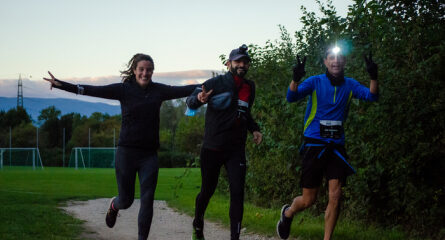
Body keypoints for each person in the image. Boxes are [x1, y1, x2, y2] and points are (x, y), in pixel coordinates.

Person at [43, 53, 197, 240]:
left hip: (149, 155)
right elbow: (94, 90)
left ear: (152, 71)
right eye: (141, 69)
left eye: (149, 70)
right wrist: (64, 85)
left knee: (148, 199)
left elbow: (185, 89)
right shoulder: (124, 90)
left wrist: (213, 85)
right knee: (126, 200)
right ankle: (114, 206)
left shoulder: (159, 91)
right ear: (134, 70)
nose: (145, 73)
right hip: (127, 153)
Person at [276, 46, 379, 240]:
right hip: (314, 145)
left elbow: (372, 96)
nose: (336, 61)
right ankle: (288, 213)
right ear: (325, 61)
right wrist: (295, 79)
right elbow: (291, 97)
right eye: (331, 58)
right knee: (308, 200)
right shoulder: (315, 82)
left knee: (335, 195)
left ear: (344, 62)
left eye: (339, 58)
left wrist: (373, 76)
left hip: (336, 147)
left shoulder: (350, 85)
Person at [186, 44, 263, 240]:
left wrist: (254, 129)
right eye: (238, 61)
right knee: (207, 191)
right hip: (212, 147)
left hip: (235, 149)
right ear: (229, 63)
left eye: (245, 62)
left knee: (237, 193)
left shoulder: (249, 87)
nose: (242, 65)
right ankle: (198, 222)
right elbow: (191, 100)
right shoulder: (216, 82)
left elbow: (245, 113)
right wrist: (199, 98)